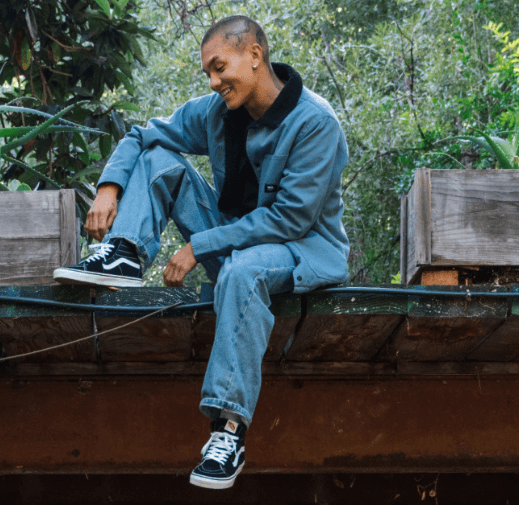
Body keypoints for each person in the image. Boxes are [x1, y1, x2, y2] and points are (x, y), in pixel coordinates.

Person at [54, 15, 350, 489]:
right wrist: (108, 189)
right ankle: (125, 252)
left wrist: (198, 246)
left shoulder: (315, 122)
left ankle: (227, 431)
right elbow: (142, 135)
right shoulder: (218, 111)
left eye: (219, 68)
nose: (213, 82)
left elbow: (289, 220)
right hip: (235, 245)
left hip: (302, 250)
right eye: (207, 74)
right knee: (158, 158)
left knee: (241, 270)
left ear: (254, 56)